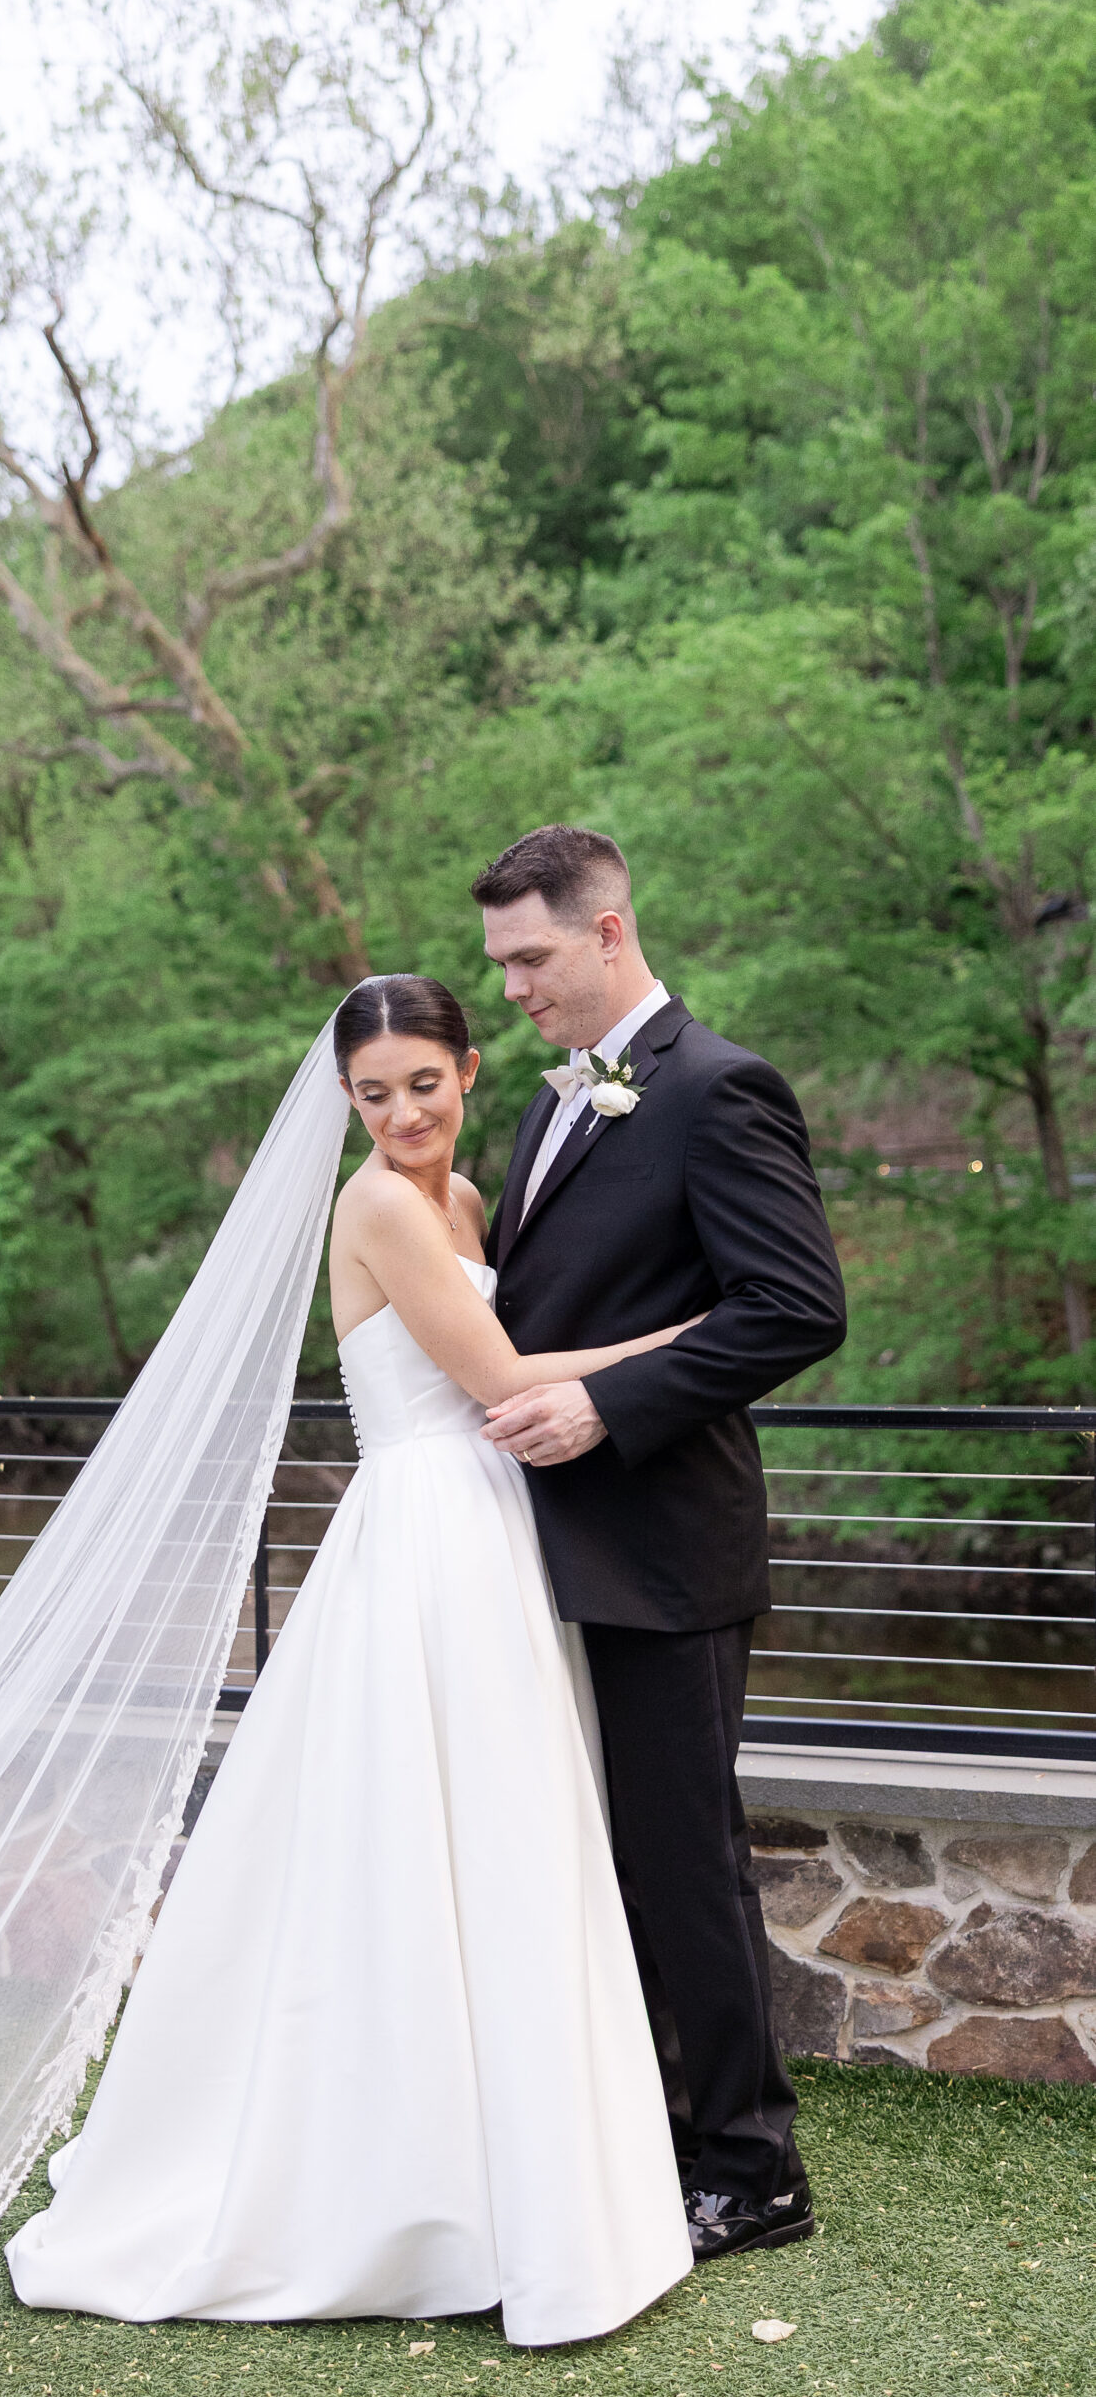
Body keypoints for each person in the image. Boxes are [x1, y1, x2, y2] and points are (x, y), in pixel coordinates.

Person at [7, 975, 705, 2344]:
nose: (401, 1114)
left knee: (502, 1846)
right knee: (419, 1844)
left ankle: (513, 2177)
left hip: (493, 1533)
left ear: (469, 1070)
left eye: (423, 1086)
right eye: (373, 1095)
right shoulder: (382, 1205)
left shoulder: (462, 1205)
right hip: (430, 1535)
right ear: (346, 1102)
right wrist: (686, 1340)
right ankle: (397, 2188)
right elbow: (500, 1381)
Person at [472, 826, 847, 2262]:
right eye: (501, 961)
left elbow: (796, 1307)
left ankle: (754, 2173)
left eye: (532, 958)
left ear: (609, 930)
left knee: (685, 1862)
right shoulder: (553, 1100)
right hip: (549, 1548)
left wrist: (605, 1408)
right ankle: (641, 2131)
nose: (510, 988)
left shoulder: (718, 1086)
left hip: (671, 1545)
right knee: (601, 1856)